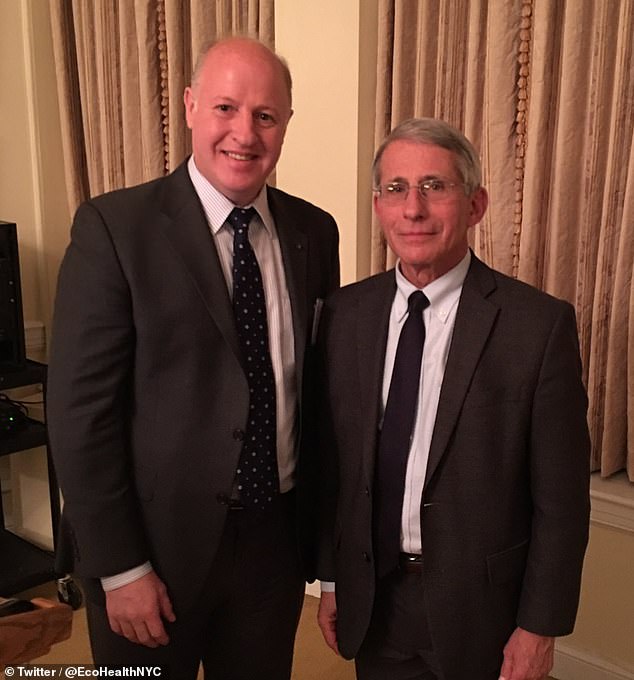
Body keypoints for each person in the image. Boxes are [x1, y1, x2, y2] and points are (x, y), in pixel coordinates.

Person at [47, 36, 339, 679]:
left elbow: (316, 397)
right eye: (226, 108)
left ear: (286, 122)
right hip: (153, 551)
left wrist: (324, 552)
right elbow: (79, 417)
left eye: (265, 115)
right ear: (189, 106)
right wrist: (120, 567)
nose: (245, 132)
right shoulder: (114, 229)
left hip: (274, 542)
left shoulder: (313, 232)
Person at [315, 118, 590, 680]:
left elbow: (561, 502)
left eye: (434, 186)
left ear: (475, 205)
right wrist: (333, 579)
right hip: (375, 600)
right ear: (378, 206)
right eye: (396, 189)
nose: (413, 208)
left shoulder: (537, 327)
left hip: (482, 613)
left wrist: (540, 627)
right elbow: (334, 466)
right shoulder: (345, 315)